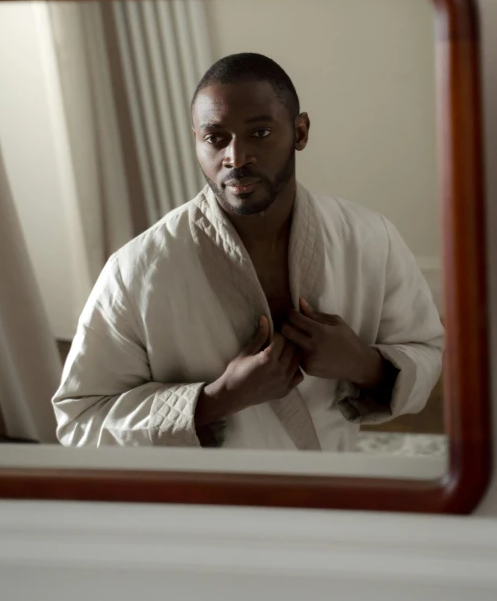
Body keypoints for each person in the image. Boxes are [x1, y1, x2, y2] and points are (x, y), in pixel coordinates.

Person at [52, 53, 443, 451]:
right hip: (209, 503)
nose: (235, 158)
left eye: (258, 133)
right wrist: (217, 399)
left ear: (301, 132)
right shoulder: (136, 271)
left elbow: (427, 351)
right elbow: (80, 422)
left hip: (332, 487)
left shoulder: (371, 238)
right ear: (197, 141)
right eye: (215, 138)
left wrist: (363, 363)